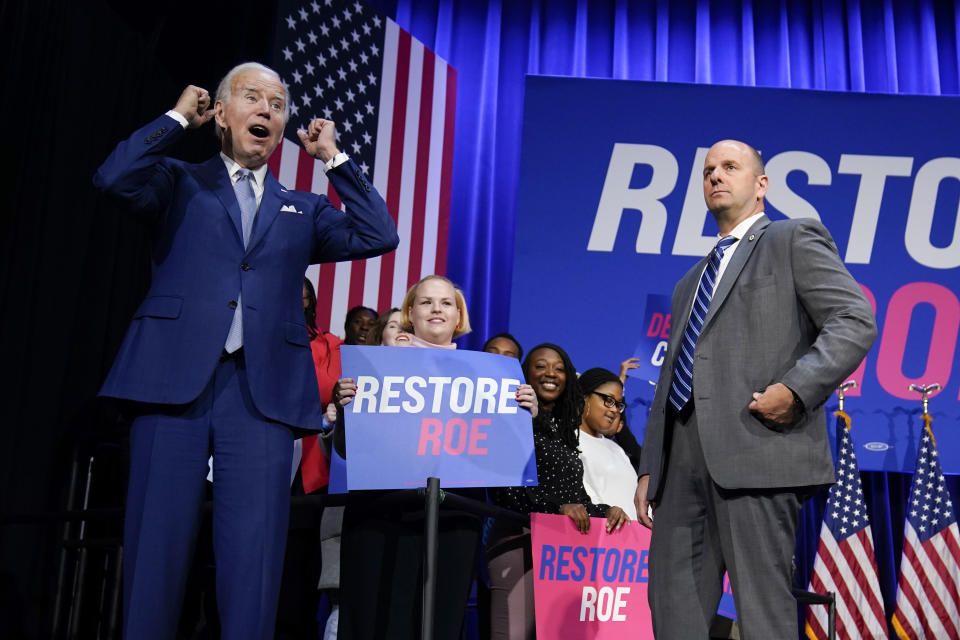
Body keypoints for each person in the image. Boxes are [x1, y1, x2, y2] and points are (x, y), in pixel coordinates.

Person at [93, 62, 398, 639]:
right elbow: (113, 178)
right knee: (155, 551)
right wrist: (178, 118)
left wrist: (333, 159)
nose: (267, 110)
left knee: (253, 563)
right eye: (252, 98)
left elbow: (379, 233)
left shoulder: (301, 208)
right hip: (171, 384)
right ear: (223, 115)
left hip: (261, 396)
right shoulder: (179, 180)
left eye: (278, 104)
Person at [635, 139, 877, 639]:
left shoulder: (790, 238)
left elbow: (853, 319)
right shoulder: (688, 283)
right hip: (680, 466)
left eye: (730, 167)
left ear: (761, 184)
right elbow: (669, 379)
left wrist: (795, 389)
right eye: (708, 171)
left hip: (758, 446)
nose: (716, 176)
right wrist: (650, 468)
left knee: (762, 615)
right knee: (672, 611)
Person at [332, 275, 538, 640]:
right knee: (381, 621)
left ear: (459, 317)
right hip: (383, 515)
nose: (436, 309)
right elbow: (349, 449)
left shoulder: (490, 379)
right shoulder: (376, 368)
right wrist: (346, 406)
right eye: (426, 302)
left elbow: (502, 460)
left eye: (446, 303)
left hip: (454, 516)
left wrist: (524, 417)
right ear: (410, 312)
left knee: (440, 620)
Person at [487, 344, 630, 640]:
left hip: (563, 554)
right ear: (525, 373)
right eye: (540, 366)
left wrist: (605, 511)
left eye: (559, 368)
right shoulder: (510, 418)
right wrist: (557, 508)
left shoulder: (564, 432)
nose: (550, 373)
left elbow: (574, 496)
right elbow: (504, 492)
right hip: (521, 543)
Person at [576, 368, 638, 520]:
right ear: (584, 397)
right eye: (608, 401)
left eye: (618, 405)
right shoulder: (567, 441)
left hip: (636, 540)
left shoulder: (617, 449)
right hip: (596, 538)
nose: (615, 410)